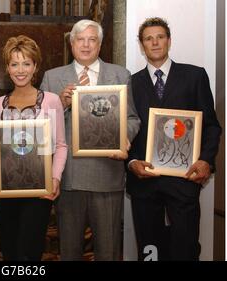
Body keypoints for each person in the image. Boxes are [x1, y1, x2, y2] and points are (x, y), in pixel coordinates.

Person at [40, 19, 141, 261]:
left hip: (107, 175)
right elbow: (41, 128)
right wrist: (62, 105)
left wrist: (122, 137)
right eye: (80, 39)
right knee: (70, 251)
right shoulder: (52, 79)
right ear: (72, 43)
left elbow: (132, 118)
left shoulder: (120, 75)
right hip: (69, 178)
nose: (86, 45)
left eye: (92, 39)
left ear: (100, 44)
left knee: (108, 251)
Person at [126, 17, 221, 261]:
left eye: (160, 37)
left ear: (169, 40)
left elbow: (211, 127)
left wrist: (206, 161)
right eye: (148, 38)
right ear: (141, 44)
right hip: (144, 181)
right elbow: (124, 129)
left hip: (184, 179)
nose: (155, 42)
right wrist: (132, 162)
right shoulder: (130, 83)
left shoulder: (195, 76)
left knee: (186, 248)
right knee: (150, 252)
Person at [0, 35, 67, 260]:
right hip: (6, 190)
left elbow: (61, 145)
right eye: (14, 64)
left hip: (38, 189)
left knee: (30, 251)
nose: (20, 70)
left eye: (26, 63)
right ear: (7, 68)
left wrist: (55, 178)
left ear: (35, 67)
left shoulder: (51, 100)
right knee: (10, 251)